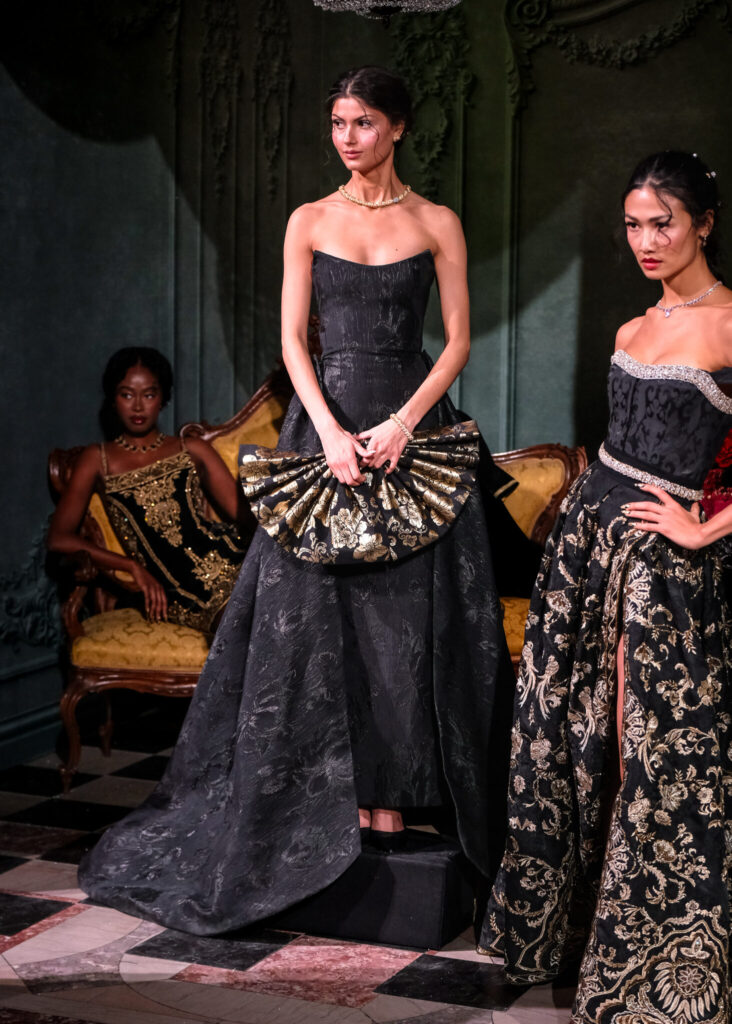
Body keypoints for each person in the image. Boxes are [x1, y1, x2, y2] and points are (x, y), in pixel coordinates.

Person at [78, 65, 518, 935]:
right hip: (326, 438)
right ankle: (327, 810)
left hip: (410, 438)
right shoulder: (309, 219)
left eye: (364, 122)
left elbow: (459, 340)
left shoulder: (437, 221)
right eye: (339, 122)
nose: (348, 137)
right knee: (318, 631)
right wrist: (327, 432)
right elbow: (290, 339)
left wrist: (403, 425)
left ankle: (394, 807)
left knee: (404, 634)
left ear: (398, 127)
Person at [480, 151, 732, 1023]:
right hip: (586, 555)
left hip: (665, 573)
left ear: (704, 223)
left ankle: (655, 973)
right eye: (632, 225)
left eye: (663, 223)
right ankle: (565, 937)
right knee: (565, 746)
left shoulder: (730, 324)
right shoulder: (630, 329)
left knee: (652, 756)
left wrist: (704, 527)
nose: (646, 241)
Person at [48, 346, 245, 632]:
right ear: (113, 399)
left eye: (149, 395)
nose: (138, 407)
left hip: (231, 557)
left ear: (163, 398)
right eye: (127, 395)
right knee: (238, 626)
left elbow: (243, 514)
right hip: (180, 588)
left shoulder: (191, 449)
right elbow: (58, 538)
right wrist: (131, 566)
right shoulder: (97, 459)